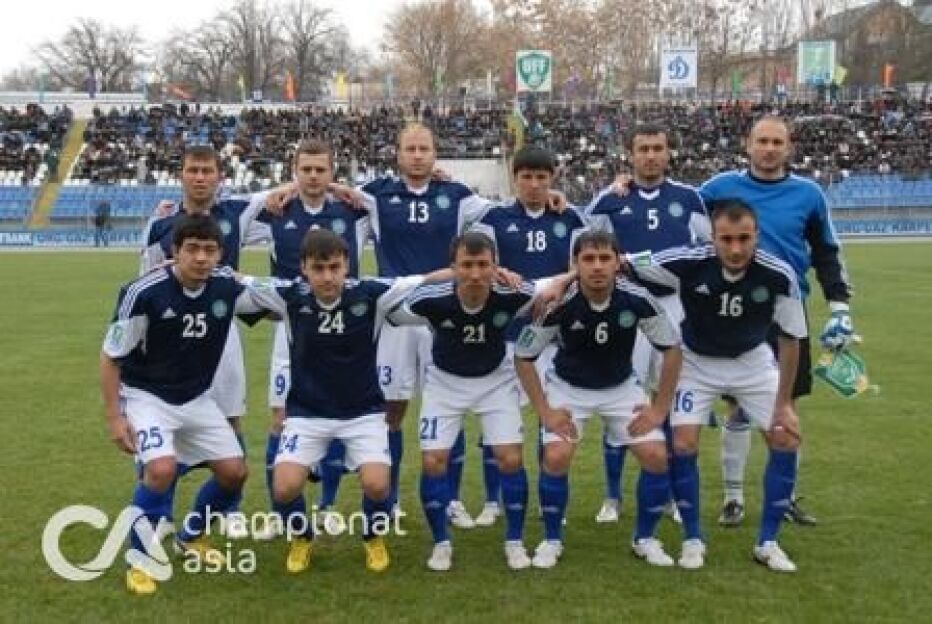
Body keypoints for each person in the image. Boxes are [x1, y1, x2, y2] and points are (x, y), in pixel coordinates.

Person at [335, 122, 565, 527]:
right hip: (399, 312)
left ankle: (453, 499)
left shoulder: (458, 195)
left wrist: (551, 196)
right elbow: (325, 188)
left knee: (448, 403)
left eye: (424, 148)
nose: (417, 155)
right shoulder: (375, 194)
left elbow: (507, 207)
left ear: (435, 153)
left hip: (448, 311)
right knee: (392, 409)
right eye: (410, 148)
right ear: (398, 153)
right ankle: (390, 499)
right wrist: (288, 188)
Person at [239, 229, 452, 574]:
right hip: (307, 414)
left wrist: (473, 272)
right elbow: (240, 280)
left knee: (378, 485)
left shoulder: (370, 294)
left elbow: (424, 279)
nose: (327, 277)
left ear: (346, 265)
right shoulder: (289, 296)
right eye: (318, 268)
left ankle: (372, 537)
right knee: (284, 488)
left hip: (363, 413)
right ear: (304, 268)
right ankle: (302, 537)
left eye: (334, 268)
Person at [629, 199, 807, 572]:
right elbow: (626, 261)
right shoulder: (687, 260)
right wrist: (562, 281)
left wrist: (784, 404)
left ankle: (768, 542)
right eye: (726, 239)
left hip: (752, 361)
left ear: (757, 235)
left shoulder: (779, 275)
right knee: (683, 443)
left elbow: (791, 340)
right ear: (712, 238)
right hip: (696, 362)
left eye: (744, 238)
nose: (736, 248)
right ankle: (693, 538)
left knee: (785, 437)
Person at [699, 116, 855, 527]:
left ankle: (783, 498)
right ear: (747, 144)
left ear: (789, 147)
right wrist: (622, 186)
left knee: (785, 406)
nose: (769, 149)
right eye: (762, 141)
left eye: (776, 142)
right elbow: (672, 210)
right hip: (735, 310)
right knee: (738, 406)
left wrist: (839, 305)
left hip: (788, 311)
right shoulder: (718, 189)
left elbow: (826, 251)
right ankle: (733, 498)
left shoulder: (809, 194)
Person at [139, 144, 291, 539]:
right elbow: (145, 280)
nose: (200, 177)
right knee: (166, 424)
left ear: (220, 176)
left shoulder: (236, 212)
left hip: (221, 331)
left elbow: (296, 187)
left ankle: (229, 510)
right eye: (193, 170)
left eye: (208, 170)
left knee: (229, 415)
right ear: (182, 174)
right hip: (171, 337)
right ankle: (162, 514)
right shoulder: (161, 224)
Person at [386, 231, 556, 571]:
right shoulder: (430, 300)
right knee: (433, 461)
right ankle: (441, 544)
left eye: (483, 265)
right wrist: (431, 279)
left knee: (510, 459)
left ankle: (514, 542)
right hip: (444, 384)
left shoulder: (514, 293)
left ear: (496, 266)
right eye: (466, 265)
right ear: (453, 267)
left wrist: (551, 287)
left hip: (495, 381)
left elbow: (558, 284)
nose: (475, 273)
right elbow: (389, 311)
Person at [101, 215, 252, 595]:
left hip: (195, 398)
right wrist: (116, 418)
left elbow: (277, 294)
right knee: (161, 469)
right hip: (146, 396)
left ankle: (191, 537)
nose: (201, 258)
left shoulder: (227, 285)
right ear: (175, 251)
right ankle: (140, 561)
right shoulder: (144, 292)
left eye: (209, 250)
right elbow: (111, 356)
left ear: (220, 254)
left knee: (234, 473)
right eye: (192, 249)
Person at [514, 230, 682, 570]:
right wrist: (545, 411)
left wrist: (660, 408)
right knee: (556, 457)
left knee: (656, 456)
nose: (597, 266)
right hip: (568, 388)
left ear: (618, 263)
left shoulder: (637, 299)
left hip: (621, 388)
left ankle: (645, 539)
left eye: (605, 258)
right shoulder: (559, 304)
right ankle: (552, 540)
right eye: (588, 259)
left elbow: (672, 349)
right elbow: (523, 355)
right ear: (575, 265)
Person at [587, 123, 709, 524]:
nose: (651, 155)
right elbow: (586, 247)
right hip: (627, 310)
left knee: (670, 401)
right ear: (630, 154)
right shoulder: (610, 200)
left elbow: (708, 252)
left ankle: (671, 494)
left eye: (658, 148)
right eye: (643, 149)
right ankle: (612, 497)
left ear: (668, 152)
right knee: (620, 399)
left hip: (675, 308)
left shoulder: (689, 198)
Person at [253, 139, 370, 538]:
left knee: (337, 415)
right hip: (292, 333)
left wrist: (342, 190)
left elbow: (398, 203)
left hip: (343, 332)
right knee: (280, 420)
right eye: (306, 169)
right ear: (295, 171)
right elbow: (227, 210)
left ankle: (327, 506)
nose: (314, 176)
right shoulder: (274, 212)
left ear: (332, 173)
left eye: (321, 169)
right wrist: (278, 192)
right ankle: (279, 511)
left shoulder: (353, 210)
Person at [470, 145, 586, 527]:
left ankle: (547, 500)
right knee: (498, 421)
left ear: (552, 179)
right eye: (527, 177)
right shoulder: (493, 219)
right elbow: (475, 263)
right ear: (514, 178)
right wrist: (497, 272)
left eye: (541, 177)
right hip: (507, 335)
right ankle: (493, 501)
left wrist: (564, 280)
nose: (534, 184)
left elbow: (589, 263)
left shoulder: (570, 217)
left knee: (549, 420)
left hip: (554, 336)